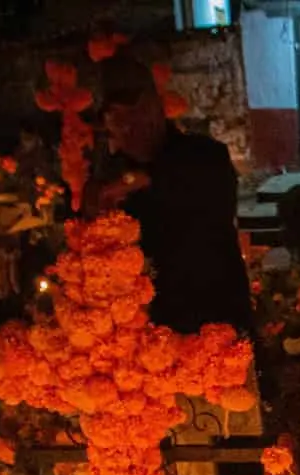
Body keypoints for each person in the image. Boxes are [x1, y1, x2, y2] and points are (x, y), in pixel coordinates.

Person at [93, 55, 254, 335]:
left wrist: (143, 180)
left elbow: (204, 191)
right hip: (145, 337)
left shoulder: (204, 156)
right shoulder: (109, 178)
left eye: (136, 113)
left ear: (157, 109)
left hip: (213, 324)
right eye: (117, 119)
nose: (129, 127)